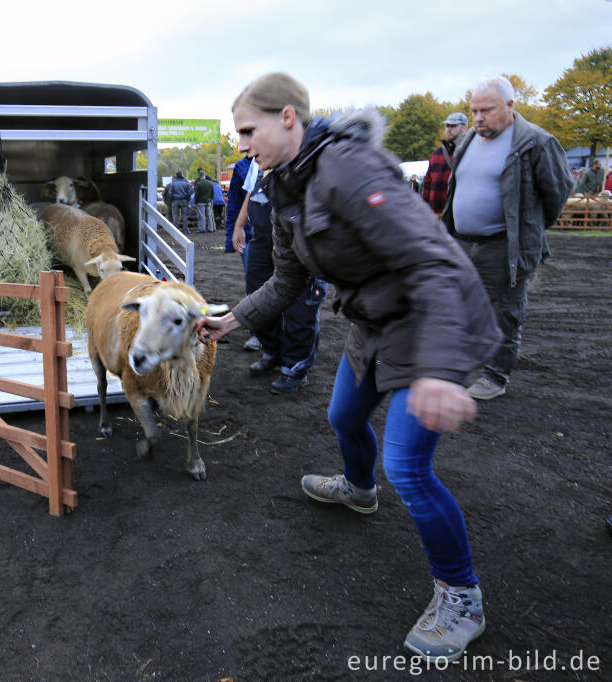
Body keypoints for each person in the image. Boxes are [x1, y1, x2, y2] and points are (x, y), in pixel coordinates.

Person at [197, 72, 501, 663]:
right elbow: (287, 278)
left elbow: (433, 261)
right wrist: (233, 321)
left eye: (247, 129)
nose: (241, 143)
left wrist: (439, 372)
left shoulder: (347, 169)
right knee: (343, 416)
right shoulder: (285, 185)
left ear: (288, 117)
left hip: (427, 322)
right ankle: (359, 491)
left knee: (409, 468)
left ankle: (462, 596)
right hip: (373, 325)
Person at [445, 75, 573, 400]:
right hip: (462, 241)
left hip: (504, 247)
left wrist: (526, 230)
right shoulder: (467, 140)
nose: (478, 118)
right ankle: (454, 367)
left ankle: (495, 377)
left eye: (486, 110)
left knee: (505, 312)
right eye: (474, 111)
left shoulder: (536, 142)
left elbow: (557, 193)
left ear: (510, 106)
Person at [234, 135, 326, 394]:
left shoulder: (304, 161)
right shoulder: (259, 160)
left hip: (296, 241)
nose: (244, 146)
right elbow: (251, 192)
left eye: (249, 133)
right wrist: (241, 225)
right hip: (262, 238)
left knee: (301, 304)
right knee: (256, 294)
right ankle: (272, 351)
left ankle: (295, 367)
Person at [225, 155, 260, 352]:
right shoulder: (243, 166)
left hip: (279, 233)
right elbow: (236, 202)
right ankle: (257, 333)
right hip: (251, 236)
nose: (243, 144)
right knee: (254, 283)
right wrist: (234, 232)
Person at [422, 112, 469, 215]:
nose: (448, 129)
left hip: (459, 214)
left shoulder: (470, 150)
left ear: (464, 128)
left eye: (453, 126)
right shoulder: (437, 153)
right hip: (436, 214)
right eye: (447, 126)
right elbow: (427, 183)